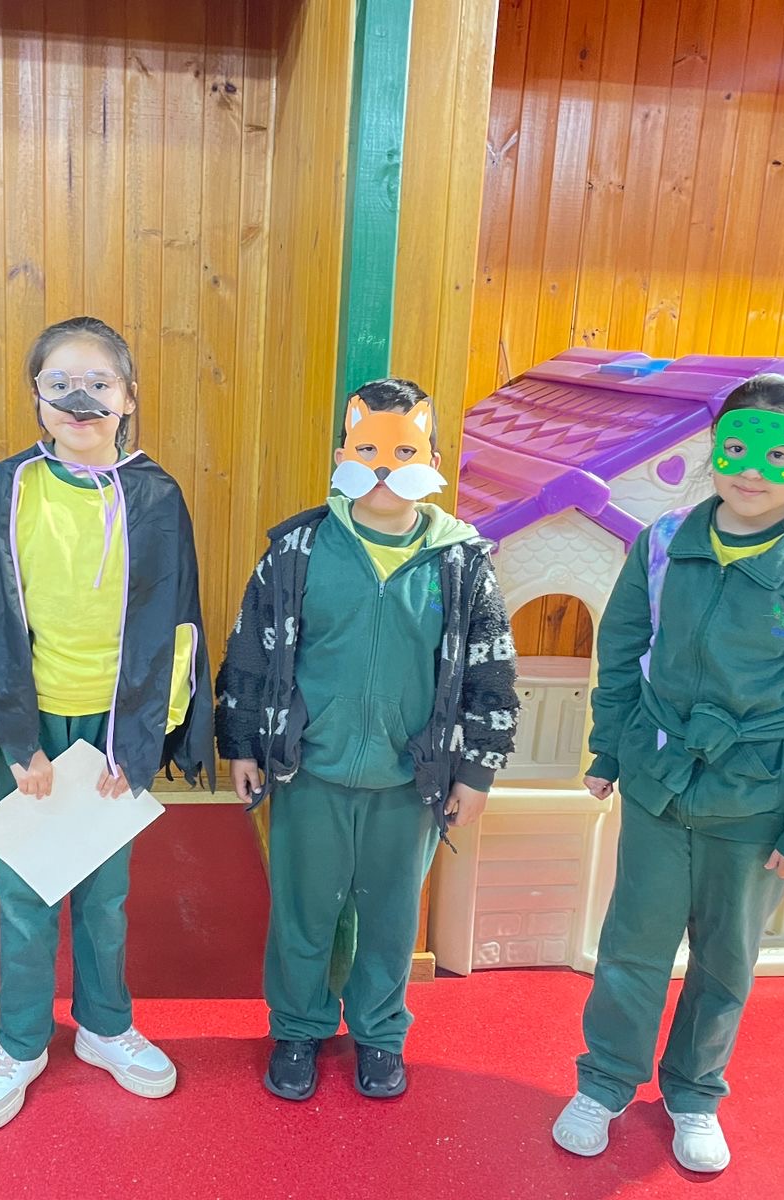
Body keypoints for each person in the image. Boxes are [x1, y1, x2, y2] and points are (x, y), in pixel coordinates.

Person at [551, 373, 784, 1174]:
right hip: (660, 786)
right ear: (714, 449)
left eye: (779, 457)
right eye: (736, 448)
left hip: (759, 803)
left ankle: (696, 1093)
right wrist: (609, 750)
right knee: (631, 946)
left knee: (726, 959)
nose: (752, 471)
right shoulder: (662, 544)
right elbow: (621, 652)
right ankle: (604, 1082)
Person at [0, 315, 216, 1131]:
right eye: (59, 384)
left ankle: (104, 1026)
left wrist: (139, 741)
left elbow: (178, 626)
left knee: (105, 894)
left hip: (113, 723)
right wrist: (15, 743)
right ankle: (19, 1041)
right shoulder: (10, 487)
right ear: (37, 397)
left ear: (129, 398)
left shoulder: (156, 497)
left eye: (98, 384)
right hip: (27, 721)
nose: (79, 399)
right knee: (25, 894)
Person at [215, 378, 519, 1102]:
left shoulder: (461, 563)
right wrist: (243, 742)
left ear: (433, 459)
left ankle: (380, 1034)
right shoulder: (297, 550)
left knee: (389, 919)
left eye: (404, 451)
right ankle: (298, 1028)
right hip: (308, 774)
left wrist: (477, 770)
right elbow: (251, 649)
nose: (384, 468)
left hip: (409, 782)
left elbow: (492, 672)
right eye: (368, 450)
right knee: (304, 913)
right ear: (341, 456)